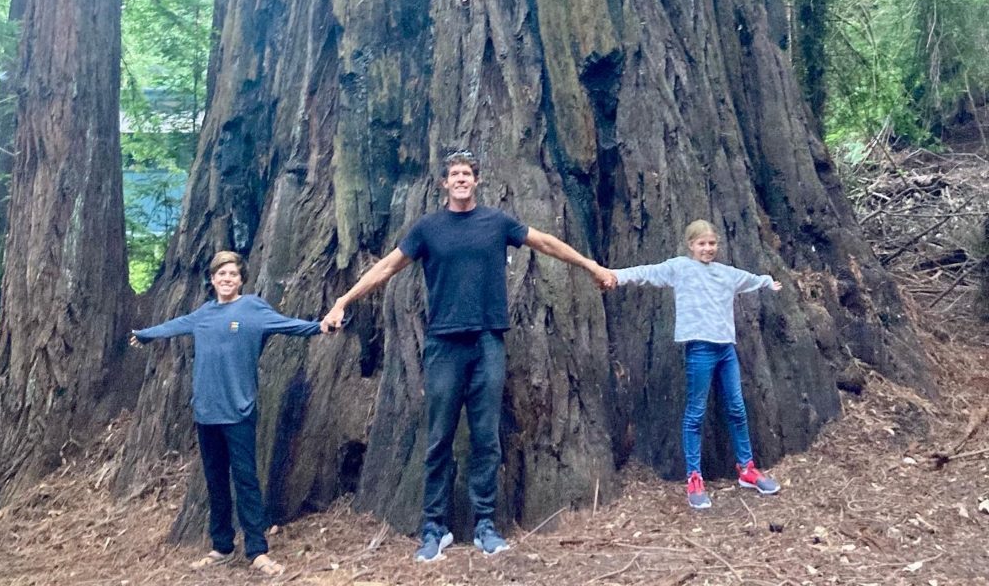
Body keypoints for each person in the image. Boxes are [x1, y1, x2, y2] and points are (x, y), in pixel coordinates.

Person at [320, 149, 617, 562]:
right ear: (444, 183)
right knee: (439, 439)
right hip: (443, 345)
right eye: (454, 174)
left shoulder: (497, 222)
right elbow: (387, 266)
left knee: (485, 439)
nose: (461, 179)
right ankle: (433, 529)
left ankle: (485, 526)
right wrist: (343, 301)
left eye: (467, 174)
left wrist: (590, 265)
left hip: (487, 342)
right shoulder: (428, 228)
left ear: (476, 180)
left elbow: (545, 242)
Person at [131, 250, 322, 577]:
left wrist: (322, 326)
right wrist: (146, 335)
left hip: (239, 412)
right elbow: (175, 325)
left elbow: (290, 326)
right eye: (221, 274)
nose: (226, 279)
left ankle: (257, 550)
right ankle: (221, 545)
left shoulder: (253, 309)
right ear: (213, 279)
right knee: (215, 482)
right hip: (206, 413)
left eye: (232, 274)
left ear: (241, 278)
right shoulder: (204, 313)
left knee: (246, 481)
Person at [610, 219, 782, 510]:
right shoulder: (680, 268)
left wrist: (767, 282)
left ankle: (747, 469)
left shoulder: (726, 273)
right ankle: (694, 477)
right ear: (691, 245)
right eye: (702, 243)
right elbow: (646, 273)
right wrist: (614, 275)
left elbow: (750, 279)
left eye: (712, 243)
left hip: (726, 350)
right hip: (699, 350)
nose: (708, 248)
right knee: (696, 413)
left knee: (737, 409)